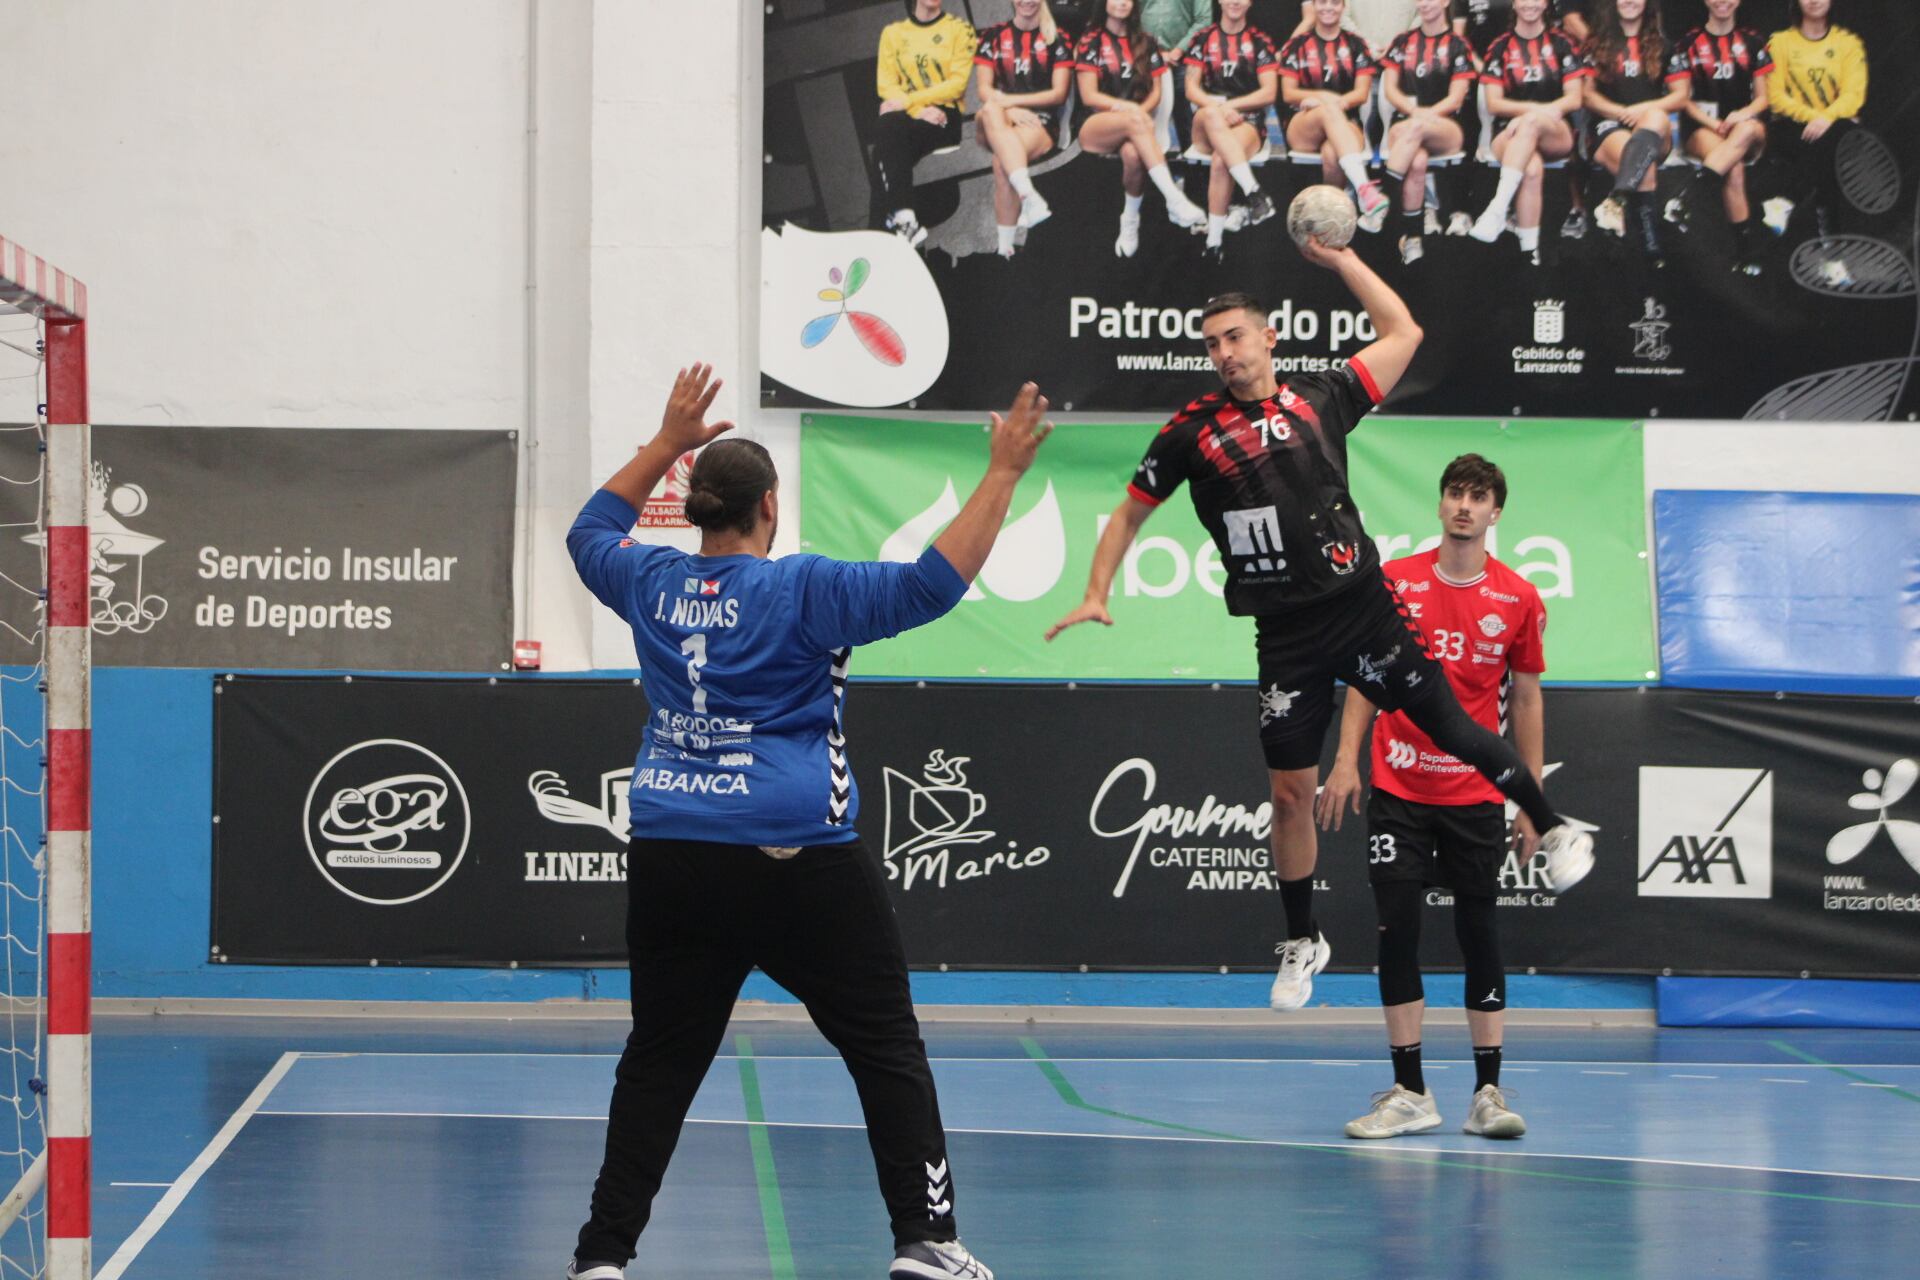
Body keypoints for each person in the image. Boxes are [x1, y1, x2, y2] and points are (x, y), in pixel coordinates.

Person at [564, 365, 1054, 1280]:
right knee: (884, 1046)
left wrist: (665, 443)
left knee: (661, 1062)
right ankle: (927, 1241)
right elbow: (930, 586)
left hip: (672, 851)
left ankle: (601, 1259)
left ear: (696, 509)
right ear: (769, 508)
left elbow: (587, 529)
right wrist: (1003, 475)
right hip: (796, 858)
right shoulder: (804, 591)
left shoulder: (649, 581)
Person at [1042, 253, 1593, 1014]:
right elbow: (1132, 509)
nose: (1225, 353)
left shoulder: (1321, 396)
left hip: (1362, 608)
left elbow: (1404, 331)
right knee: (1289, 795)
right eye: (1211, 344)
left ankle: (1554, 827)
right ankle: (1303, 939)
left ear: (1269, 339)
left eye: (1235, 337)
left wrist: (1337, 258)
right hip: (1286, 636)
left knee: (1454, 729)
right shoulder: (1190, 434)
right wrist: (1097, 590)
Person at [1318, 454, 1546, 1142]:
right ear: (1441, 503)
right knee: (1398, 931)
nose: (1465, 506)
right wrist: (1347, 759)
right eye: (1455, 493)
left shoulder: (1519, 597)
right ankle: (1411, 1091)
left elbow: (1528, 697)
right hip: (1399, 785)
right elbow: (1364, 677)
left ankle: (1488, 1092)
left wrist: (1531, 797)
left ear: (1495, 513)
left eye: (1479, 497)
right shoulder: (1395, 582)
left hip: (1474, 791)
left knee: (1480, 932)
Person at [1075, 0, 1210, 257]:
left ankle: (1129, 220)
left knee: (1134, 155)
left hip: (1136, 127)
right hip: (1097, 125)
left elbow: (1157, 92)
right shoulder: (1090, 41)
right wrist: (1131, 111)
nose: (1122, 2)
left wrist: (1139, 112)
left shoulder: (1146, 42)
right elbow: (1089, 96)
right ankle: (1174, 198)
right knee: (1135, 121)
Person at [1467, 0, 1590, 262]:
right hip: (1508, 134)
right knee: (1531, 170)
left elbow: (1574, 99)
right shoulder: (1499, 46)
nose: (1530, 4)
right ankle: (1530, 254)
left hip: (1554, 132)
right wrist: (1530, 112)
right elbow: (1494, 103)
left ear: (1546, 4)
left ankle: (1498, 207)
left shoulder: (1562, 43)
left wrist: (1531, 115)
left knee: (1531, 124)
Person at [1765, 0, 1868, 285]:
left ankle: (1786, 201)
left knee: (1829, 152)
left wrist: (1825, 119)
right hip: (1790, 128)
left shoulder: (1848, 44)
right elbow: (1775, 95)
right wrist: (1813, 118)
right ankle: (1833, 259)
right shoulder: (1780, 42)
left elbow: (1853, 96)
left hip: (1833, 128)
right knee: (1828, 163)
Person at [1585, 0, 1691, 266]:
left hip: (1651, 124)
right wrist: (1621, 112)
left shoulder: (1664, 45)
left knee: (1654, 119)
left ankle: (1618, 198)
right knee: (1643, 165)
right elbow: (1585, 95)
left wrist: (1642, 109)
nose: (1630, 1)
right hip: (1611, 125)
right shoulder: (1596, 44)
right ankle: (1650, 248)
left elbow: (1681, 96)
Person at [872, 1, 979, 248]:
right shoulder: (893, 34)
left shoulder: (958, 30)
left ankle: (886, 229)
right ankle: (903, 222)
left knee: (884, 147)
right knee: (884, 144)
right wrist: (917, 110)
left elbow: (955, 84)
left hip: (942, 120)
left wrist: (908, 103)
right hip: (908, 120)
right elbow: (886, 86)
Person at [973, 0, 1074, 257]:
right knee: (989, 109)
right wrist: (1008, 109)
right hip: (997, 119)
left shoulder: (1057, 39)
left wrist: (1011, 102)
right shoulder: (993, 36)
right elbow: (984, 89)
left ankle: (1005, 247)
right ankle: (1028, 195)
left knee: (1001, 162)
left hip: (1038, 122)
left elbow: (1058, 94)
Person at [1184, 0, 1283, 261]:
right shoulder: (1203, 38)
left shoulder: (1260, 41)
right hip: (1205, 124)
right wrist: (1218, 108)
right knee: (1209, 114)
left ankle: (1214, 242)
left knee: (1221, 160)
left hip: (1245, 121)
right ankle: (1254, 191)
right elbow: (1191, 89)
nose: (1235, 1)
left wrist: (1231, 106)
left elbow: (1269, 92)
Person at [1280, 0, 1391, 232]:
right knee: (1327, 111)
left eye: (1334, 3)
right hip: (1304, 125)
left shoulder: (1356, 45)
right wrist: (1325, 100)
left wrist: (1337, 103)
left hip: (1346, 122)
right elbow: (1289, 93)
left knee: (1332, 154)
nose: (1328, 8)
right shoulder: (1298, 44)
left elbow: (1361, 93)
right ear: (1314, 6)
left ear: (1343, 7)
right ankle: (1364, 189)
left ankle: (1336, 222)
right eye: (1322, 2)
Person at [1678, 0, 1772, 275]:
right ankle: (1744, 254)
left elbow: (1764, 99)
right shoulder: (1688, 42)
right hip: (1704, 128)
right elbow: (1683, 99)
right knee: (1734, 167)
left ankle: (1688, 199)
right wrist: (1714, 123)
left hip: (1747, 127)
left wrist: (1741, 115)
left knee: (1747, 130)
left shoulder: (1753, 41)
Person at [1380, 0, 1477, 262]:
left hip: (1445, 128)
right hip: (1406, 126)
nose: (1425, 3)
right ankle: (1412, 238)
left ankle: (1383, 197)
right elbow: (1390, 90)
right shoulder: (1402, 41)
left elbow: (1456, 99)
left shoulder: (1458, 44)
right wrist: (1414, 114)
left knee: (1417, 129)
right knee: (1418, 161)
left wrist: (1424, 116)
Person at [1142, 0, 1217, 149]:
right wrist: (1147, 50)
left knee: (1185, 120)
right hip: (1142, 58)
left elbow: (1203, 20)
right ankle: (1146, 168)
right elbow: (1130, 13)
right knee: (1141, 119)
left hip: (1183, 59)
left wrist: (1178, 51)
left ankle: (1193, 168)